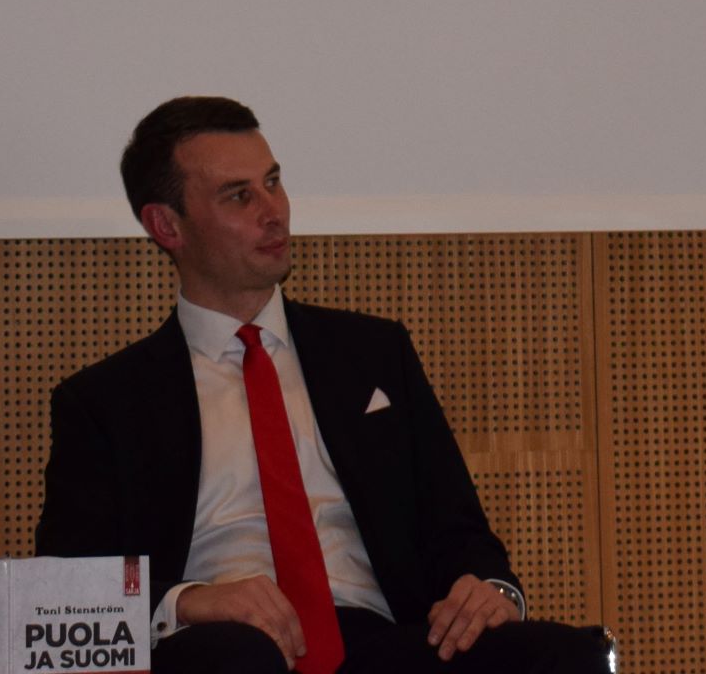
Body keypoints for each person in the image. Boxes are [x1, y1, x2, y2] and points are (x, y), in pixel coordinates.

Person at [35, 96, 613, 674]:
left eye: (273, 183)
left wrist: (491, 589)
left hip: (384, 642)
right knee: (241, 658)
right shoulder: (105, 402)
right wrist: (188, 601)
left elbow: (458, 528)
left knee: (560, 656)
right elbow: (66, 585)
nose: (274, 212)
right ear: (166, 225)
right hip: (222, 648)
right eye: (239, 196)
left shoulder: (373, 354)